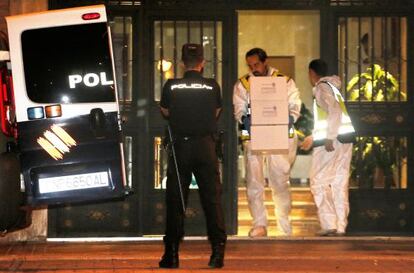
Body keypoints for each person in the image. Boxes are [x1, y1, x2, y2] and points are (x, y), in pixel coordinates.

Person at [159, 43, 226, 268]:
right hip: (206, 147)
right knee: (212, 200)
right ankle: (217, 253)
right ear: (202, 63)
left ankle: (172, 254)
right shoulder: (212, 86)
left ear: (181, 63)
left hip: (181, 149)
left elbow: (165, 111)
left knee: (176, 201)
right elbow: (216, 112)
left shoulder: (172, 86)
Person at [233, 48, 301, 237]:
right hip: (253, 137)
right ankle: (260, 224)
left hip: (279, 136)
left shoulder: (284, 81)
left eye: (256, 64)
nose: (253, 68)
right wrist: (243, 118)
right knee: (254, 182)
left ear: (265, 62)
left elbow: (295, 104)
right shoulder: (243, 84)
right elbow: (238, 108)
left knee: (280, 181)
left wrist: (290, 117)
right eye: (250, 65)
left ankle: (284, 225)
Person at [301, 59, 355, 236]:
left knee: (318, 181)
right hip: (345, 140)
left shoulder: (322, 88)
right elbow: (332, 116)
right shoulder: (333, 87)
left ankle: (329, 223)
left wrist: (329, 137)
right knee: (339, 182)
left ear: (312, 73)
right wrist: (314, 136)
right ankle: (340, 225)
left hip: (332, 142)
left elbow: (334, 112)